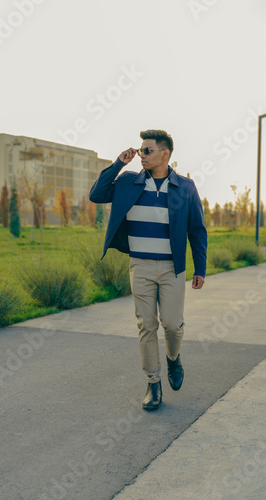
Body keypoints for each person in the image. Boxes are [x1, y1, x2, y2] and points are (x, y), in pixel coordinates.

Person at [89, 129, 207, 410]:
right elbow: (97, 194)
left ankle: (173, 358)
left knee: (172, 325)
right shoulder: (128, 181)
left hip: (172, 268)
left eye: (147, 150)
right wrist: (119, 163)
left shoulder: (185, 187)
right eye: (140, 149)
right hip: (140, 265)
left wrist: (199, 268)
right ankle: (153, 384)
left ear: (165, 154)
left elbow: (197, 230)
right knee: (147, 325)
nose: (141, 154)